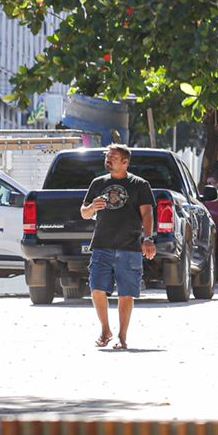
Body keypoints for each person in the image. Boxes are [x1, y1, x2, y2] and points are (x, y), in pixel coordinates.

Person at [81, 144, 156, 349]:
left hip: (129, 247)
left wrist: (148, 239)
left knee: (126, 293)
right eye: (107, 156)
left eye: (113, 157)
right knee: (96, 289)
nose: (108, 159)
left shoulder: (139, 185)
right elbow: (84, 212)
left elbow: (147, 213)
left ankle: (122, 337)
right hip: (101, 245)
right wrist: (91, 208)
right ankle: (105, 329)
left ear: (125, 162)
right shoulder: (98, 183)